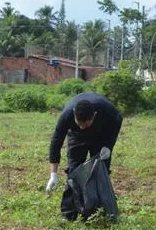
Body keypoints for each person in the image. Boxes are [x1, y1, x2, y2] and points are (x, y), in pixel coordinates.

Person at [46, 92, 123, 220]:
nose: (82, 127)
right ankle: (70, 213)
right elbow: (56, 142)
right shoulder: (67, 116)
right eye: (79, 123)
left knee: (100, 171)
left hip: (100, 135)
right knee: (74, 171)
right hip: (76, 137)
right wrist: (53, 174)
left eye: (86, 124)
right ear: (74, 114)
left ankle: (99, 210)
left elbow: (117, 120)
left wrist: (108, 146)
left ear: (94, 115)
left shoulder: (107, 110)